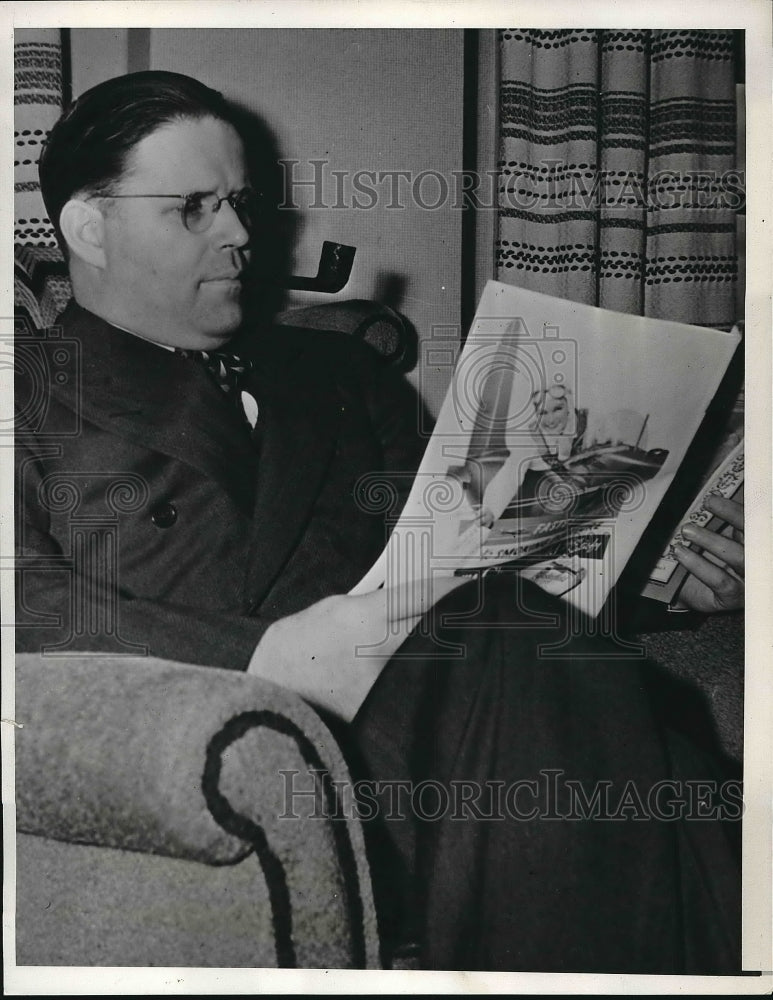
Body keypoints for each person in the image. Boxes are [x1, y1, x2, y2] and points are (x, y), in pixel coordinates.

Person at [15, 70, 742, 973]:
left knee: (662, 752)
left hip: (453, 724)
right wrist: (265, 655)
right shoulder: (28, 385)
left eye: (238, 201)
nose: (242, 233)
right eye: (193, 208)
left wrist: (653, 576)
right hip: (239, 745)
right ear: (89, 226)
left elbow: (458, 550)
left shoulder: (340, 377)